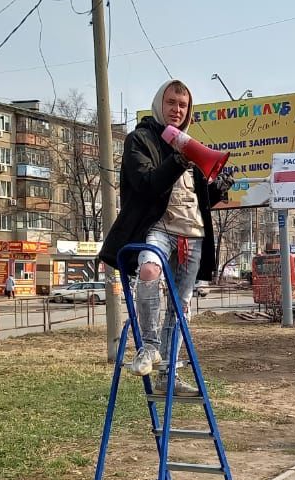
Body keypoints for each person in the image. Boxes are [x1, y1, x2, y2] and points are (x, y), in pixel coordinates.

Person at [98, 79, 231, 396]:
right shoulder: (140, 140)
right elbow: (146, 185)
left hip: (193, 234)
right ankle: (149, 348)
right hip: (158, 228)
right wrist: (178, 159)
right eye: (172, 103)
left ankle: (167, 376)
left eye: (183, 105)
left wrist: (218, 189)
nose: (177, 110)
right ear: (160, 103)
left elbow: (195, 200)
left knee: (181, 306)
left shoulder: (188, 144)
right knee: (148, 271)